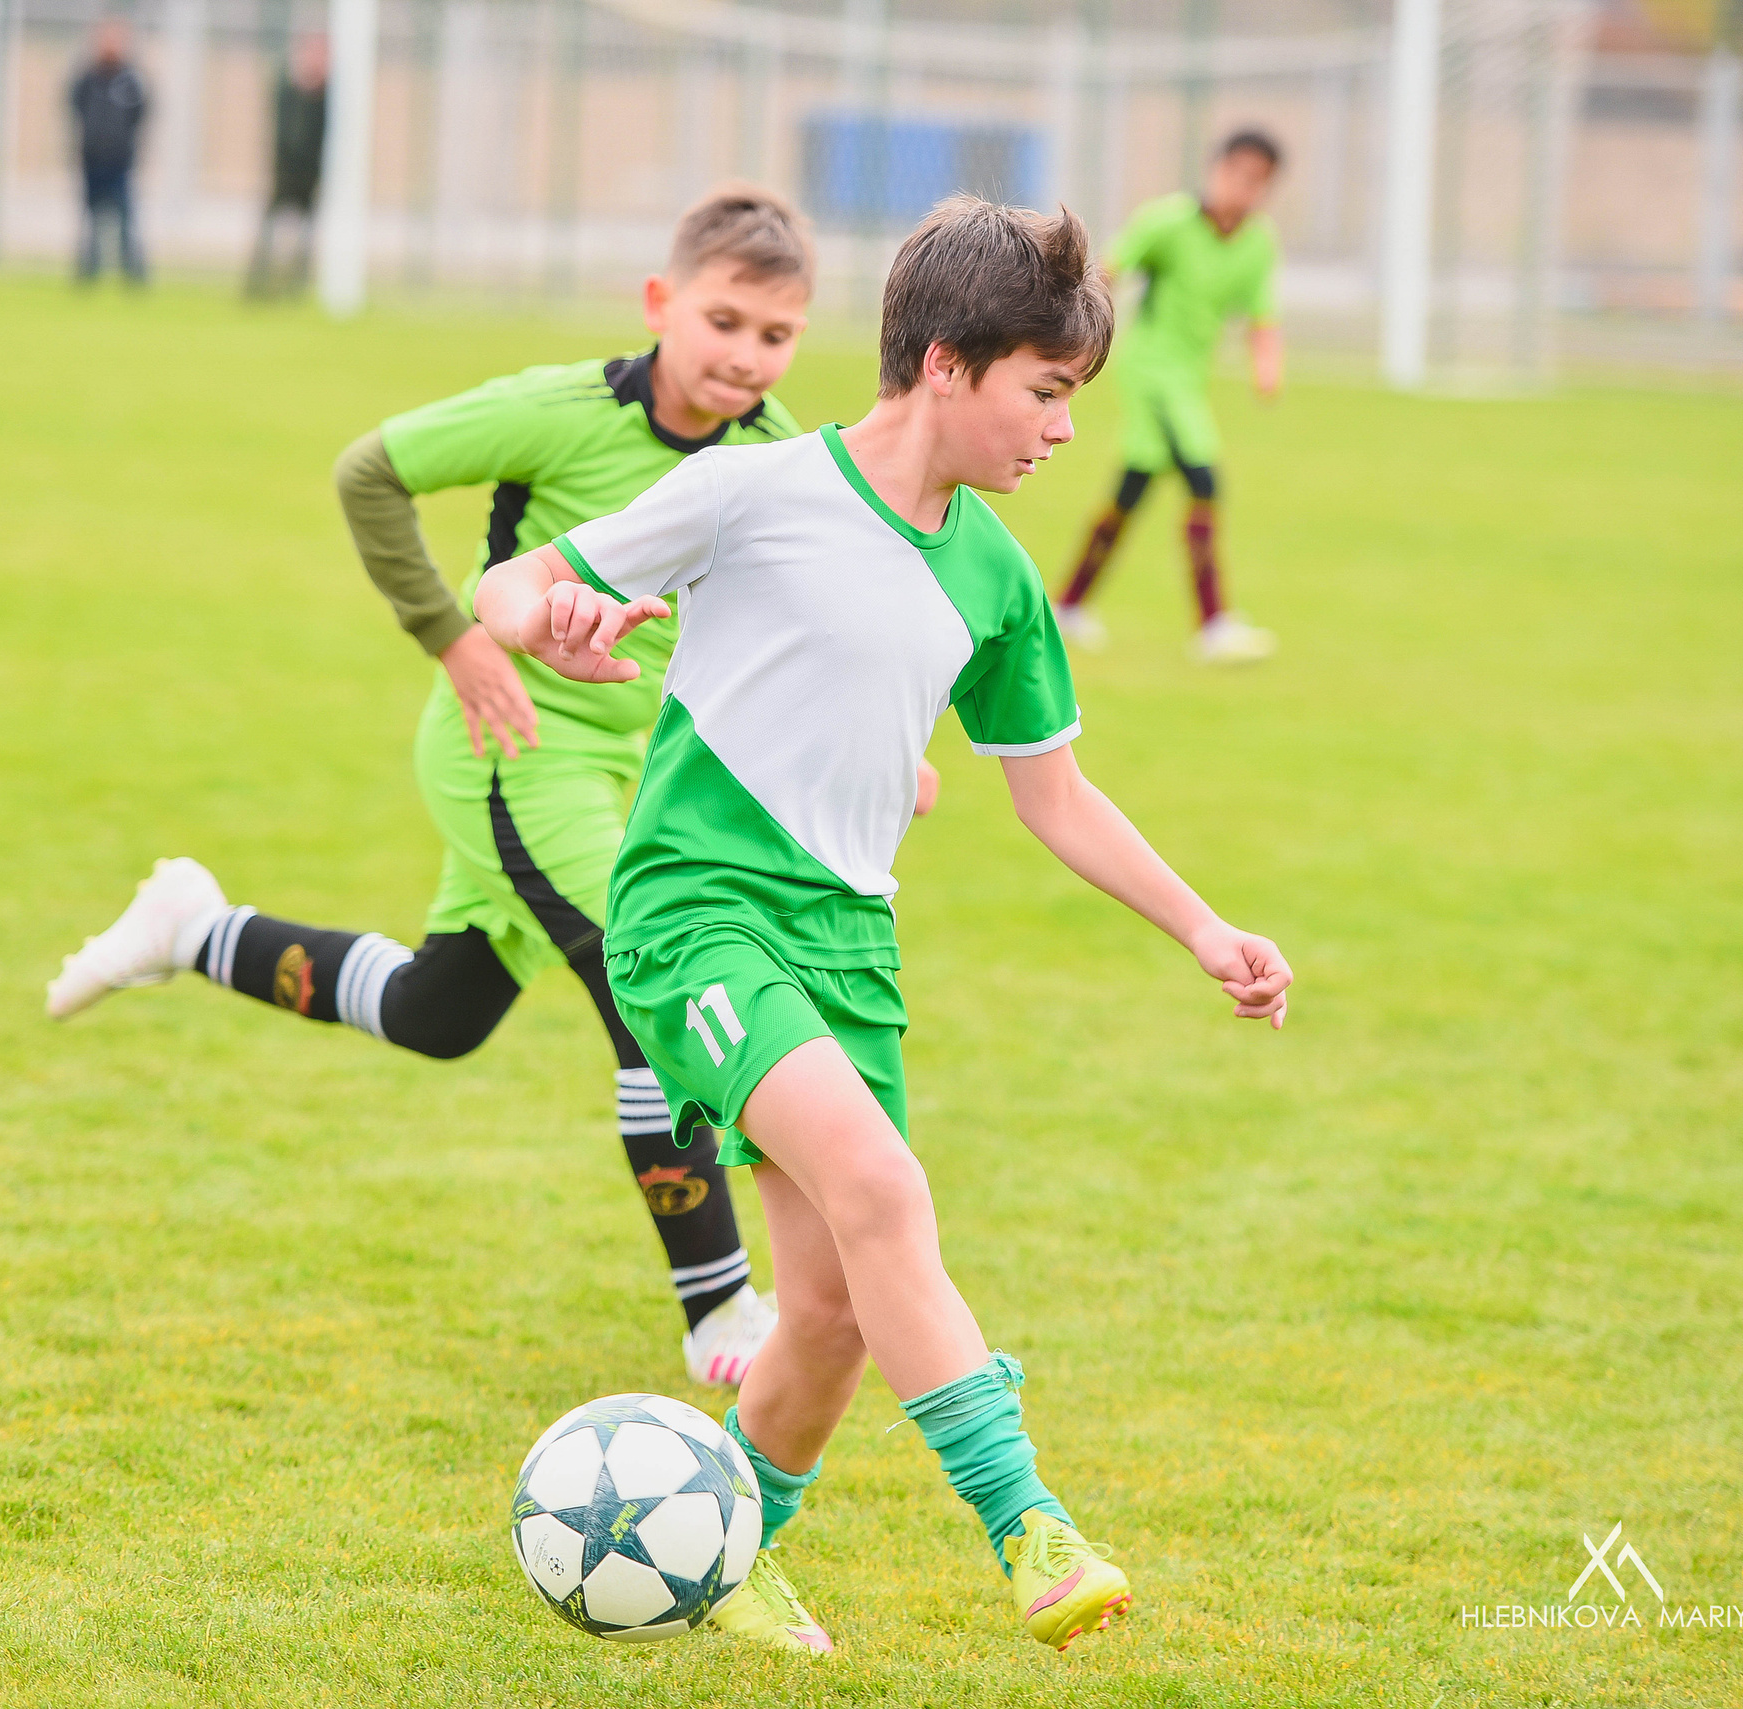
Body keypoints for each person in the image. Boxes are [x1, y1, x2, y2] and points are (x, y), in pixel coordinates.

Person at [473, 195, 1293, 1654]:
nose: (1059, 432)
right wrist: (553, 622)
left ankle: (731, 1548)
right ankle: (1028, 1525)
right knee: (889, 1189)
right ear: (945, 365)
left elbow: (1058, 797)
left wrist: (1205, 928)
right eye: (1045, 394)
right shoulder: (753, 491)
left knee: (838, 1313)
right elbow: (520, 582)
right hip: (696, 917)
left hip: (851, 946)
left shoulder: (996, 577)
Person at [48, 188, 871, 1391]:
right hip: (511, 748)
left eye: (775, 335)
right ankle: (718, 1307)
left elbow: (818, 598)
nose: (746, 357)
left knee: (443, 1010)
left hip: (626, 777)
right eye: (723, 320)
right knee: (657, 979)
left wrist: (873, 738)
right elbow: (369, 470)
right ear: (659, 303)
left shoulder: (768, 450)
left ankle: (196, 928)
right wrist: (453, 633)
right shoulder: (555, 412)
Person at [1053, 129, 1284, 664]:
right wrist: (1078, 338)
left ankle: (1067, 606)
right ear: (1215, 168)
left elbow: (1262, 316)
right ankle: (1213, 622)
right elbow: (1106, 272)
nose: (1243, 188)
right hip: (1152, 373)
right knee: (1204, 479)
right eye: (1236, 173)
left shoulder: (1258, 243)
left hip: (1189, 382)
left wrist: (1267, 366)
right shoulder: (1168, 222)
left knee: (1131, 490)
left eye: (1257, 181)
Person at [244, 32, 326, 301]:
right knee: (270, 230)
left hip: (312, 176)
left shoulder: (330, 96)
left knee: (304, 236)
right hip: (284, 173)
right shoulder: (287, 88)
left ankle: (294, 288)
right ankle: (257, 285)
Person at [70, 19, 148, 286]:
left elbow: (141, 114)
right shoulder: (87, 80)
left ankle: (132, 274)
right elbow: (75, 108)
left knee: (126, 219)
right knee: (91, 219)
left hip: (120, 161)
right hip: (92, 159)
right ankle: (89, 273)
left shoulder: (130, 82)